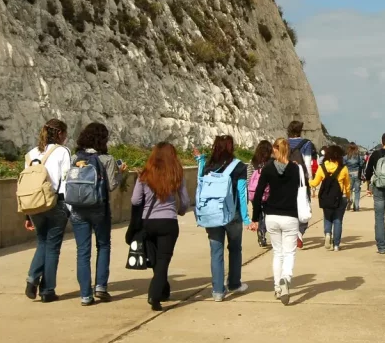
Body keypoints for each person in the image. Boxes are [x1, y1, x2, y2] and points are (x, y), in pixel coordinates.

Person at [70, 122, 127, 306]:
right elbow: (111, 185)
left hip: (78, 209)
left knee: (82, 252)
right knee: (103, 245)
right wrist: (120, 173)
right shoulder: (107, 159)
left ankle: (85, 295)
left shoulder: (74, 157)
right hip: (99, 208)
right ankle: (101, 287)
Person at [130, 142, 189, 311]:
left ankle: (164, 289)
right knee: (163, 260)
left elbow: (135, 200)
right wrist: (181, 211)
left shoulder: (144, 175)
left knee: (156, 260)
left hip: (148, 222)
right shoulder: (177, 174)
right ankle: (155, 295)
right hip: (168, 222)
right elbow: (184, 201)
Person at [195, 136, 250, 302]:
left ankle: (218, 291)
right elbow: (241, 194)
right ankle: (234, 284)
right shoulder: (239, 166)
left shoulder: (208, 167)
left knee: (216, 252)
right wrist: (246, 218)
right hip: (232, 216)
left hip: (212, 214)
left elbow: (200, 186)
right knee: (235, 249)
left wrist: (200, 161)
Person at [24, 119, 71, 303]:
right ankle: (47, 290)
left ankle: (32, 279)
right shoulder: (62, 152)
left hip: (34, 205)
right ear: (59, 134)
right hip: (55, 203)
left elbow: (27, 185)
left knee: (42, 242)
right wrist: (69, 208)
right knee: (52, 247)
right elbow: (66, 180)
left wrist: (27, 214)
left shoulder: (31, 154)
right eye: (65, 134)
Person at [249, 138, 301, 305]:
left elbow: (258, 195)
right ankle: (286, 279)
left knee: (277, 252)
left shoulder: (268, 169)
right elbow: (299, 191)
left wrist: (255, 218)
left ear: (274, 149)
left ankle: (277, 287)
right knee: (289, 253)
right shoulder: (295, 169)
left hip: (271, 215)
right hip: (290, 215)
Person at [309, 145, 350, 251]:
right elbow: (347, 186)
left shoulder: (322, 167)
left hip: (326, 197)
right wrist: (348, 197)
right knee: (338, 220)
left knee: (327, 218)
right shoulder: (343, 168)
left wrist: (306, 182)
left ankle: (327, 234)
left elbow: (315, 183)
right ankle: (336, 245)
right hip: (340, 197)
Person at [287, 120, 316, 248]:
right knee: (305, 205)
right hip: (302, 179)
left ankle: (291, 232)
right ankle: (299, 231)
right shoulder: (306, 143)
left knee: (290, 206)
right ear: (300, 130)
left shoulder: (284, 143)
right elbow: (307, 161)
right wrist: (310, 178)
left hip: (287, 178)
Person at [247, 140, 273, 247]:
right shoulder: (271, 162)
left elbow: (248, 179)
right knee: (268, 215)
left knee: (258, 213)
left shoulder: (253, 162)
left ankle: (260, 231)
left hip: (254, 193)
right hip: (268, 193)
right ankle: (263, 230)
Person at [343, 143, 365, 211]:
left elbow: (343, 166)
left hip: (349, 174)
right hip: (357, 174)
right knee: (357, 191)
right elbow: (361, 165)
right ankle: (356, 206)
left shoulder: (345, 157)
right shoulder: (358, 156)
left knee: (349, 190)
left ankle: (350, 200)